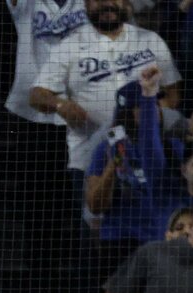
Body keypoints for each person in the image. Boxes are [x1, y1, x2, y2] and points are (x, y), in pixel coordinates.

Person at [27, 0, 181, 174]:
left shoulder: (151, 40)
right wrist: (61, 105)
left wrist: (148, 117)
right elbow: (36, 95)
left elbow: (173, 94)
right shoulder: (69, 46)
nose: (107, 3)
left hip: (149, 153)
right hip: (90, 159)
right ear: (85, 5)